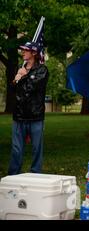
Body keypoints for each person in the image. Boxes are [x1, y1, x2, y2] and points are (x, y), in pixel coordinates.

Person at [8, 41, 49, 175]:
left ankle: (35, 174)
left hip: (35, 116)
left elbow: (30, 88)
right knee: (16, 149)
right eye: (23, 50)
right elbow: (13, 89)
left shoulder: (42, 70)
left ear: (34, 53)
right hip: (18, 115)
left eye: (26, 50)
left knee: (37, 148)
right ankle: (13, 175)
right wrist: (16, 78)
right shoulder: (20, 68)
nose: (23, 52)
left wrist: (23, 76)